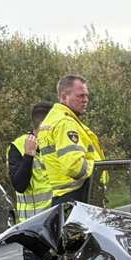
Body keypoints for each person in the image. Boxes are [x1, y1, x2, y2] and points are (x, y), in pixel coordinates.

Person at [37, 74, 106, 206]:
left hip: (61, 198)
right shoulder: (65, 123)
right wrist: (99, 167)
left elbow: (44, 166)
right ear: (64, 97)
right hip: (79, 197)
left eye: (87, 96)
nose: (85, 100)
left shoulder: (49, 121)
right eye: (80, 96)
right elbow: (75, 167)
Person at [7, 101, 53, 222]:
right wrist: (28, 155)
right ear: (44, 124)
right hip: (33, 223)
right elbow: (19, 186)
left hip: (58, 218)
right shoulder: (17, 147)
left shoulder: (56, 143)